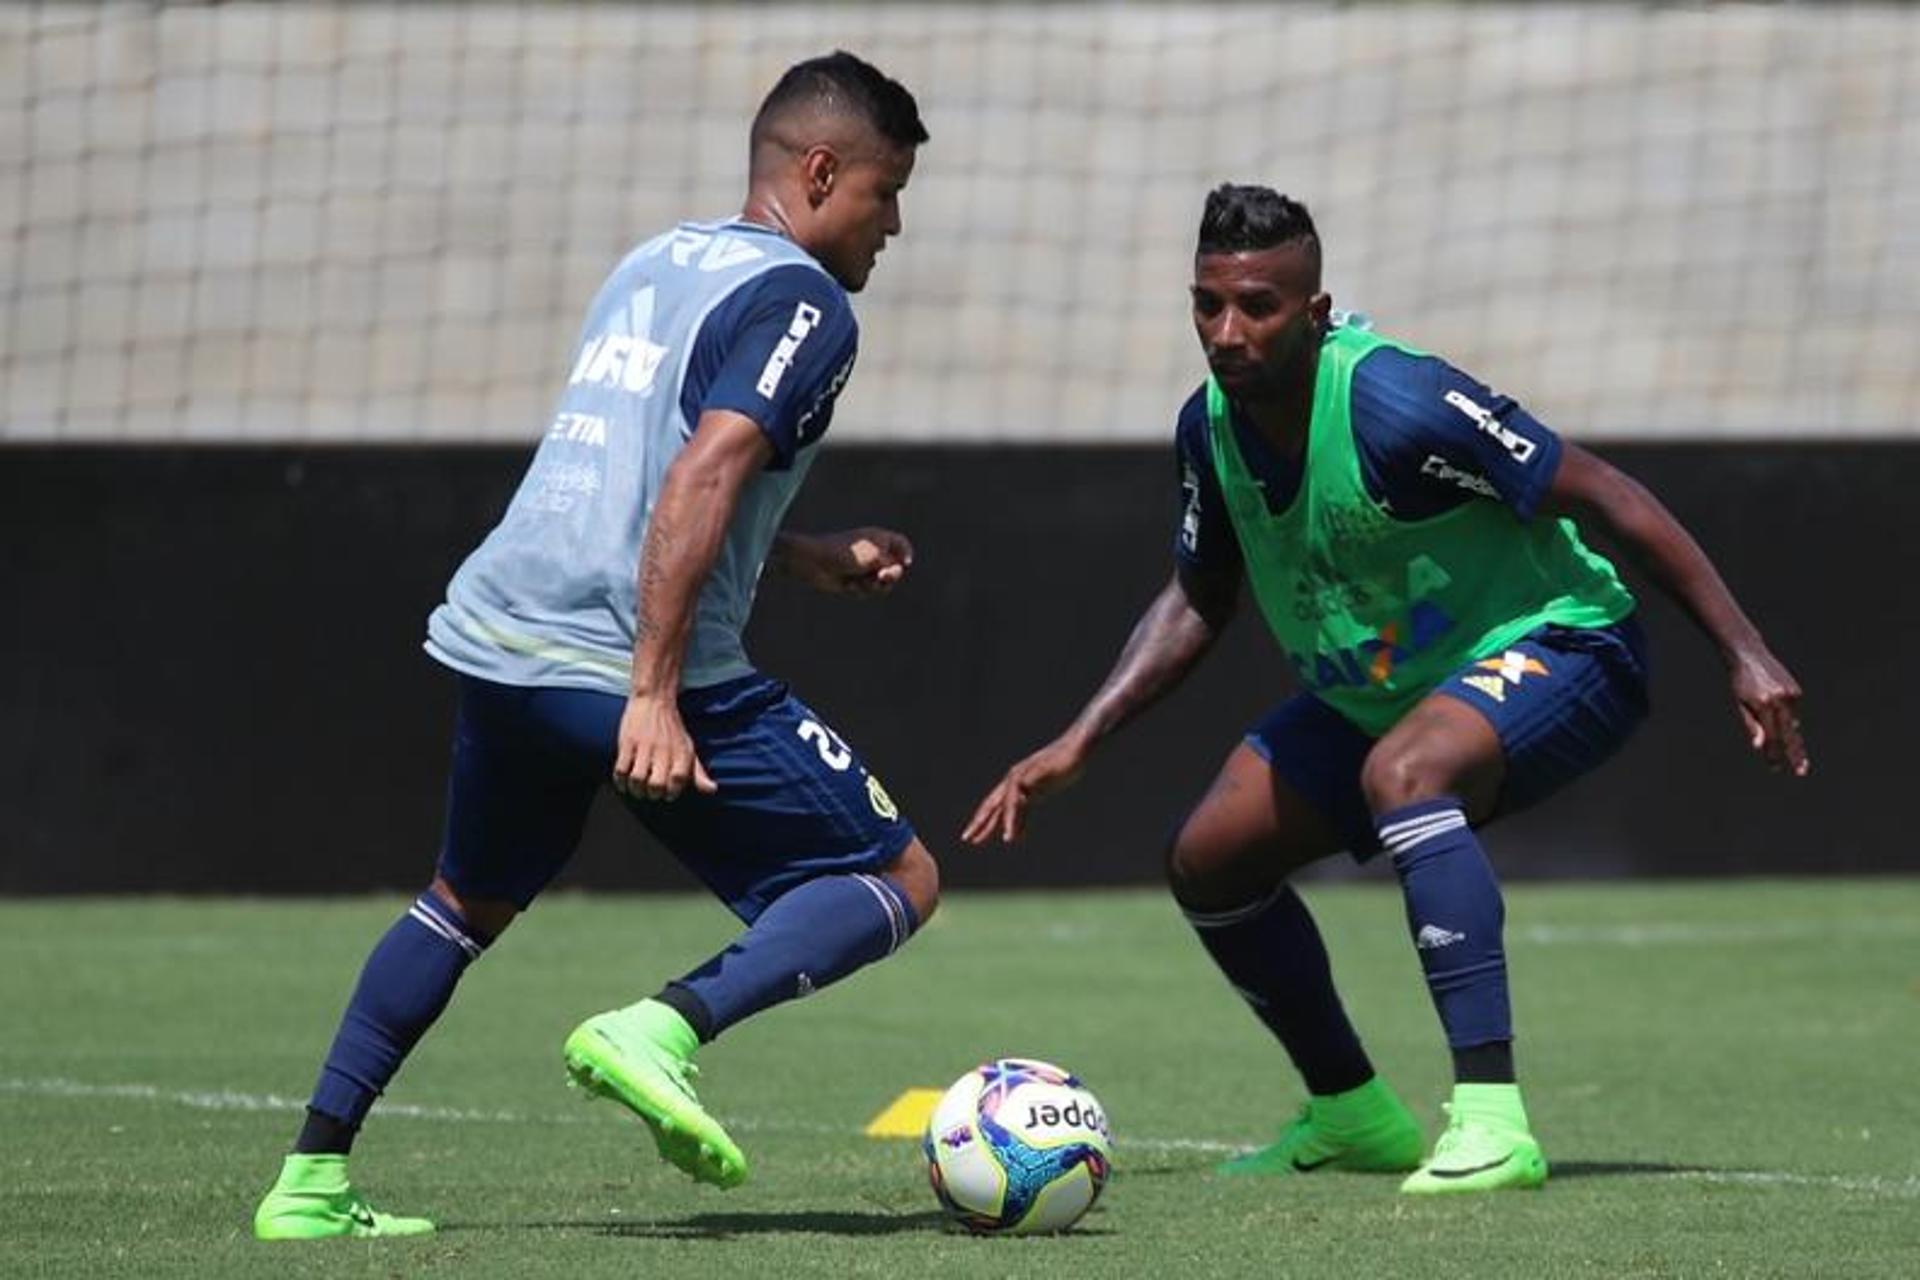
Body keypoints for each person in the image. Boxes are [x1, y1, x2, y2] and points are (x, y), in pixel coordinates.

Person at [964, 185, 1808, 1194]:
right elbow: (1199, 596)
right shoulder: (1209, 428)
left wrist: (1745, 650)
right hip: (1380, 689)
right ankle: (1353, 1112)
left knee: (1405, 773)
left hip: (1566, 643)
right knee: (1211, 858)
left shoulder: (1396, 402)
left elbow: (1608, 493)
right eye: (1207, 304)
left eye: (1259, 307)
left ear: (1316, 312)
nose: (1227, 332)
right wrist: (1083, 737)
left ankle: (1494, 1119)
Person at [254, 51, 936, 1239]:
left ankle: (309, 1179)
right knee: (895, 875)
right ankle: (660, 1026)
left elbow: (656, 478)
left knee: (461, 901)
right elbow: (700, 472)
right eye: (887, 193)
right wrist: (655, 694)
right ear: (822, 171)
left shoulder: (655, 262)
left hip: (501, 639)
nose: (893, 227)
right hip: (620, 662)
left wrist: (807, 550)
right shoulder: (808, 304)